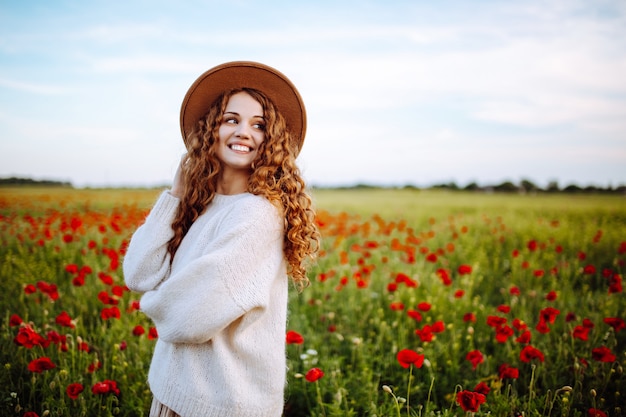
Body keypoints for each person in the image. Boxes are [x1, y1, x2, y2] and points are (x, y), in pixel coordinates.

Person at [123, 61, 320, 417]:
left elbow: (188, 317)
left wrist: (153, 304)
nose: (244, 131)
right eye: (232, 119)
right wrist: (176, 195)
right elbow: (138, 274)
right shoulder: (202, 207)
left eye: (258, 125)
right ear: (210, 129)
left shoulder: (258, 215)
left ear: (271, 141)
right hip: (177, 391)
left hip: (220, 403)